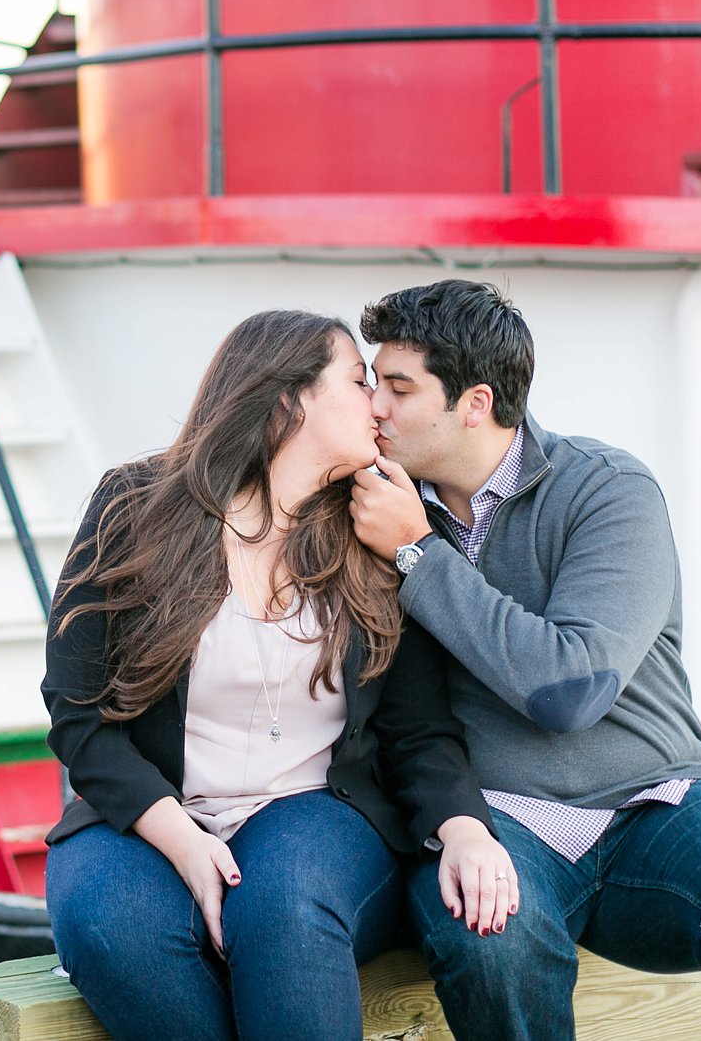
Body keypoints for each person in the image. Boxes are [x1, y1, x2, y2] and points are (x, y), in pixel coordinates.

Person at [346, 279, 701, 1041]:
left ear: (475, 402)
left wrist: (420, 556)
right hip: (498, 817)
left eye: (398, 386)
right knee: (492, 942)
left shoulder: (607, 490)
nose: (373, 406)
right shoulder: (374, 508)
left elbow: (569, 687)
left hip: (654, 798)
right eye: (372, 382)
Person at [42, 309, 516, 1041]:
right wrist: (185, 841)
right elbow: (78, 713)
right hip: (148, 808)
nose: (379, 405)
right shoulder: (134, 507)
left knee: (286, 906)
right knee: (113, 927)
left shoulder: (380, 527)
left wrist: (464, 829)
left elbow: (418, 730)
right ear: (289, 398)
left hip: (314, 809)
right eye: (360, 382)